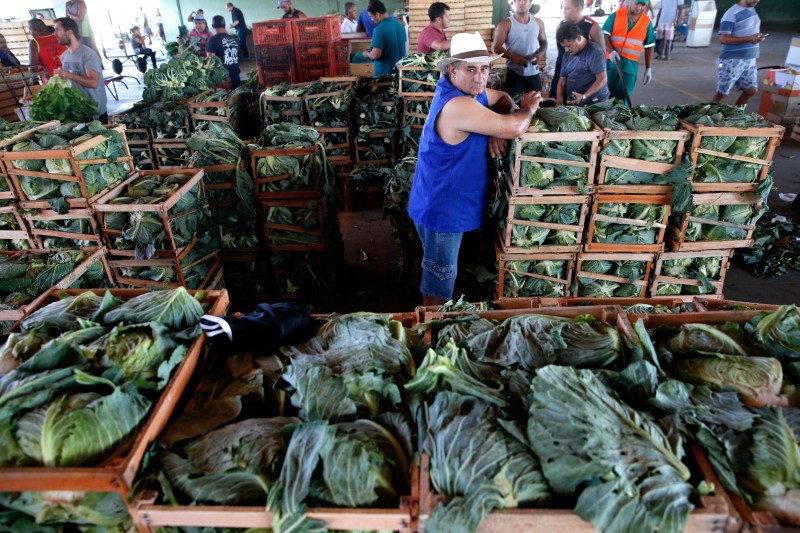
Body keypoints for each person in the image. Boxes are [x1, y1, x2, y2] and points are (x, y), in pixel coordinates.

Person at [407, 32, 542, 305]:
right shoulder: (457, 104)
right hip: (442, 209)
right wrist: (526, 109)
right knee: (439, 279)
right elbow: (516, 126)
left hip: (453, 201)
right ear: (452, 70)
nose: (480, 77)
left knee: (447, 270)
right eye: (471, 69)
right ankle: (429, 331)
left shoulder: (470, 93)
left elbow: (502, 96)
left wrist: (494, 129)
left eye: (484, 68)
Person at [53, 17, 107, 123]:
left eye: (57, 30)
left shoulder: (88, 55)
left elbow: (93, 83)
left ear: (69, 32)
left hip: (94, 112)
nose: (54, 34)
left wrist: (69, 75)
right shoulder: (64, 57)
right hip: (78, 112)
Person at [550, 0, 605, 98]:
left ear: (578, 8)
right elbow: (561, 52)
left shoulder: (592, 27)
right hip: (561, 73)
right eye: (563, 8)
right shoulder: (561, 25)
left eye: (567, 8)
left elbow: (601, 58)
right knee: (555, 104)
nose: (564, 11)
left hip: (583, 81)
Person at [603, 0, 655, 103]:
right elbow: (604, 35)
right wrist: (611, 51)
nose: (639, 7)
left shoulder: (646, 23)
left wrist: (648, 68)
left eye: (642, 5)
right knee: (604, 97)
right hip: (610, 63)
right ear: (631, 1)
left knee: (622, 101)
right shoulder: (616, 16)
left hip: (629, 68)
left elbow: (650, 46)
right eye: (637, 3)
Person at [713, 0, 763, 105]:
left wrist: (757, 37)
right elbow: (723, 39)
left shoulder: (751, 8)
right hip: (732, 60)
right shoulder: (731, 13)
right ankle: (708, 117)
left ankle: (735, 115)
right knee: (721, 94)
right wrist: (750, 38)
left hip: (750, 59)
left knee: (750, 90)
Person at [493, 0, 548, 96]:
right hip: (514, 73)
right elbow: (496, 47)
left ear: (530, 3)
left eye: (525, 0)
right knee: (513, 105)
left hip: (533, 72)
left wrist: (540, 54)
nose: (521, 3)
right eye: (518, 0)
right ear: (514, 2)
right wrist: (513, 57)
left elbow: (544, 43)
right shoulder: (505, 24)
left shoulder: (538, 23)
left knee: (536, 103)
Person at [555, 22, 610, 105]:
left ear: (579, 38)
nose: (566, 50)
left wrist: (584, 96)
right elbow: (562, 81)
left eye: (569, 45)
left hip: (595, 103)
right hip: (575, 103)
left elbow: (602, 79)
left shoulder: (594, 52)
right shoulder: (567, 54)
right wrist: (559, 100)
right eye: (564, 46)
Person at [364, 0, 406, 76]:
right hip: (400, 74)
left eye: (371, 16)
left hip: (384, 76)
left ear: (377, 14)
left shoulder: (379, 29)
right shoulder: (400, 26)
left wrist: (366, 54)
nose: (371, 19)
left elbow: (375, 55)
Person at [207, 15, 240, 89]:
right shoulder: (234, 39)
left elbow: (210, 62)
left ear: (212, 26)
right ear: (225, 26)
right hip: (236, 76)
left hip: (224, 82)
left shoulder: (212, 40)